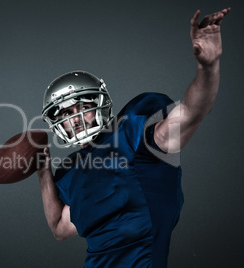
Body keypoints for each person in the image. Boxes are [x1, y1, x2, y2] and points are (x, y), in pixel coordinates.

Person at [36, 8, 230, 268]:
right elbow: (60, 227)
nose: (77, 118)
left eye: (83, 107)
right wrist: (43, 174)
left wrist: (207, 67)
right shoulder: (72, 170)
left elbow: (192, 112)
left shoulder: (133, 138)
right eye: (68, 113)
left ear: (99, 105)